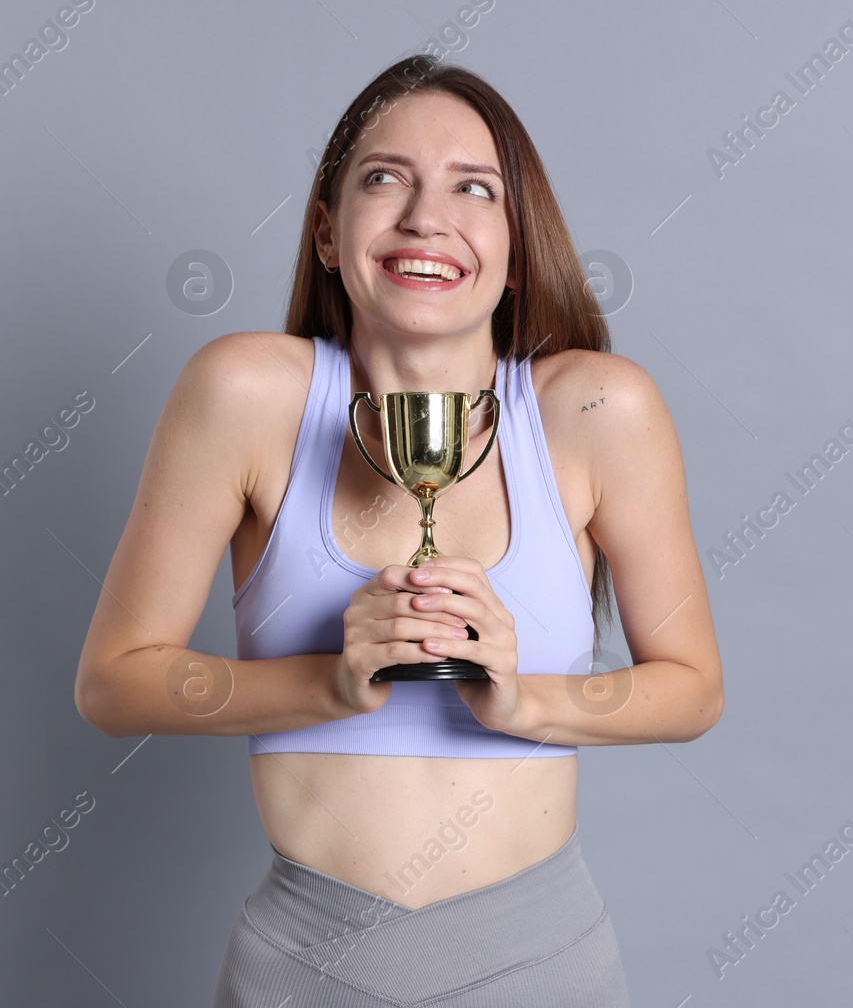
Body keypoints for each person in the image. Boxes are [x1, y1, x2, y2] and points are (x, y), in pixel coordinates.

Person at [72, 54, 723, 1006]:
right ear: (330, 235)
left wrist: (524, 704)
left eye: (474, 188)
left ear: (513, 248)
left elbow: (694, 689)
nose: (428, 217)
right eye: (386, 178)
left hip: (542, 967)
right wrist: (328, 682)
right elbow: (112, 680)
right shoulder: (246, 394)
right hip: (302, 967)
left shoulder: (596, 410)